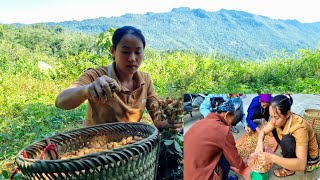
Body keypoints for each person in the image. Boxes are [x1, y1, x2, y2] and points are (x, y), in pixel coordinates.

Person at [55, 26, 182, 133]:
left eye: (138, 52)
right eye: (125, 52)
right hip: (96, 148)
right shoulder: (96, 75)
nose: (132, 58)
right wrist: (87, 90)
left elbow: (157, 119)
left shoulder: (145, 80)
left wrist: (169, 123)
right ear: (113, 51)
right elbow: (61, 101)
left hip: (129, 146)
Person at [184, 99, 251, 180]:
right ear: (226, 115)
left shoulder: (200, 122)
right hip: (204, 176)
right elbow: (236, 161)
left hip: (187, 172)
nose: (231, 124)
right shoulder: (223, 131)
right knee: (226, 155)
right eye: (231, 120)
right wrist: (244, 164)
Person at [255, 94, 319, 177]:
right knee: (274, 128)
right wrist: (259, 143)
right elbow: (263, 131)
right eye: (271, 116)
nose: (273, 121)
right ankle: (288, 155)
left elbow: (302, 165)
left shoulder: (300, 128)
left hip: (309, 160)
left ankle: (289, 170)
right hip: (297, 148)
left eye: (276, 118)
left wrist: (272, 158)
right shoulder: (277, 119)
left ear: (288, 114)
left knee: (287, 140)